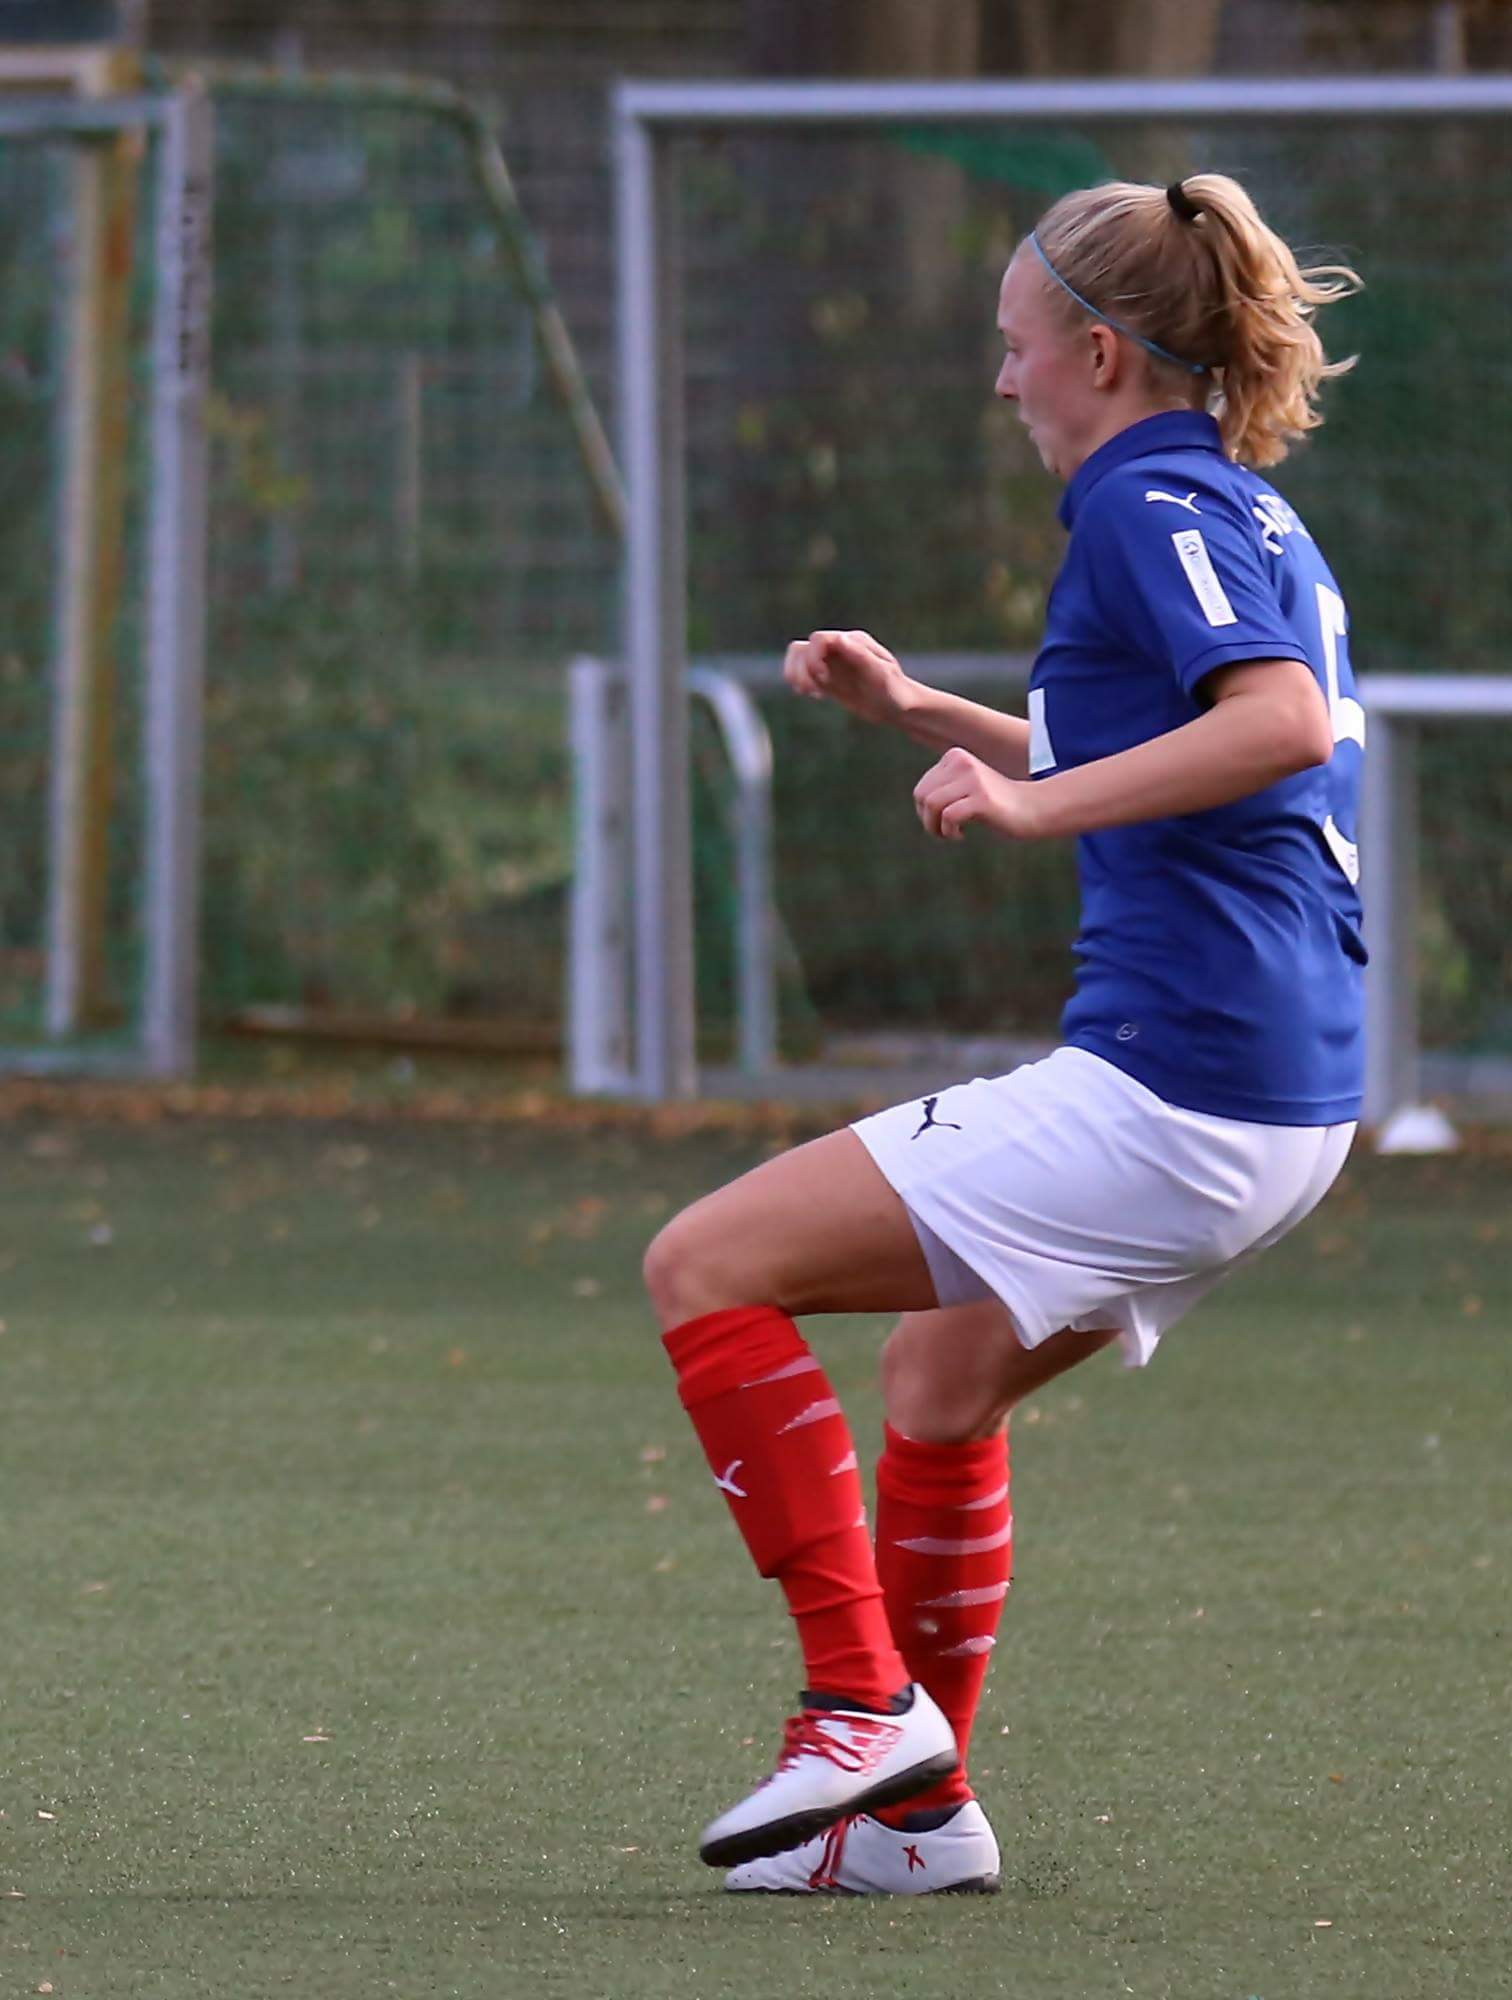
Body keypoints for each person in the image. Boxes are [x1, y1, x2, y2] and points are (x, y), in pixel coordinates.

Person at [640, 174, 1362, 1894]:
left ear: (1100, 355)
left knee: (706, 1265)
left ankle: (856, 1707)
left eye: (1015, 345)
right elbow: (1174, 747)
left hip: (1186, 1084)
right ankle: (915, 1827)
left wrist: (1031, 810)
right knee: (940, 1378)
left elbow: (1275, 725)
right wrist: (925, 712)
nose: (1002, 378)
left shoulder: (1146, 501)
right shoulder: (1230, 503)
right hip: (1281, 1100)